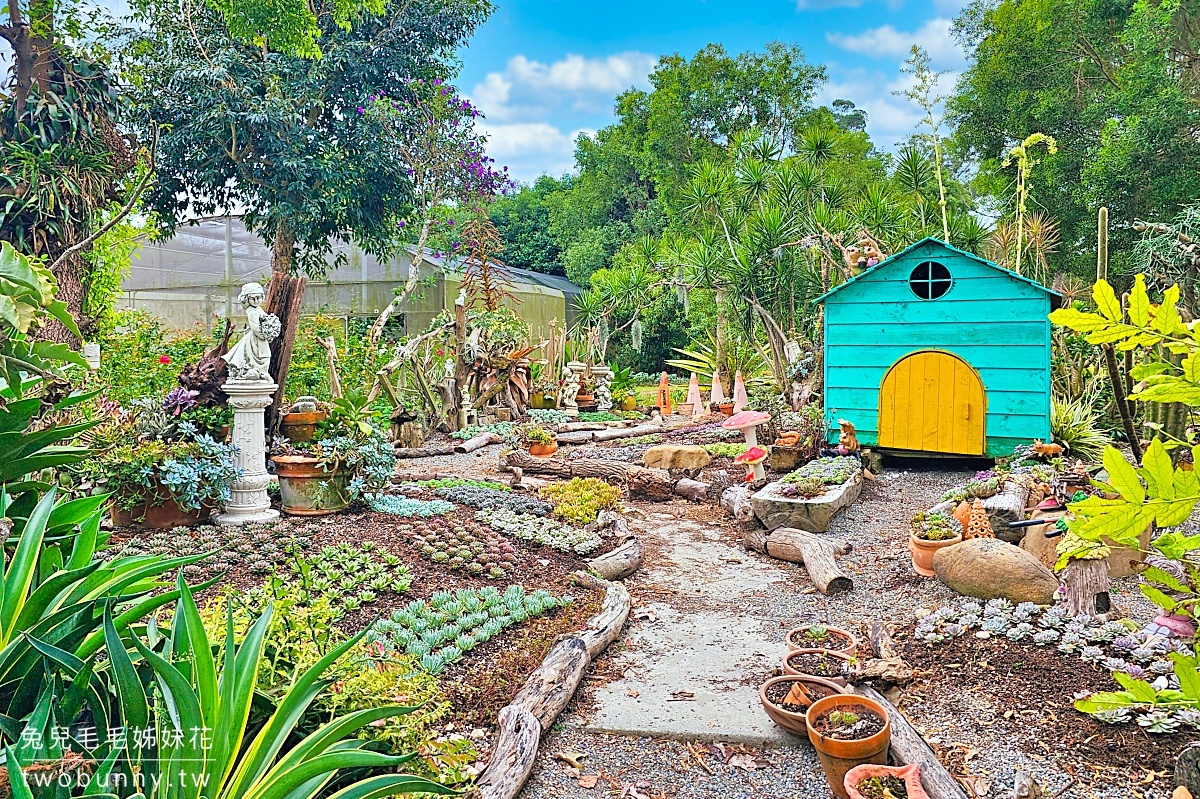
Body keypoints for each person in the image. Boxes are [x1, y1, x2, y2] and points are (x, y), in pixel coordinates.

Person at [223, 283, 279, 380]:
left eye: (259, 297)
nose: (257, 301)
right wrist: (265, 336)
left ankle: (262, 372)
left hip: (258, 337)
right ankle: (261, 372)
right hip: (255, 338)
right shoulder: (252, 311)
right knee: (263, 355)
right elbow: (255, 328)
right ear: (247, 299)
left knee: (263, 355)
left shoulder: (257, 308)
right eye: (253, 298)